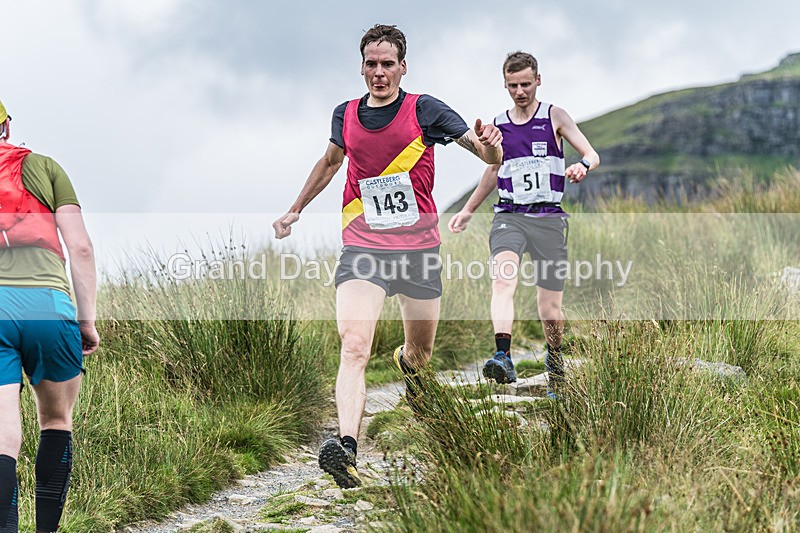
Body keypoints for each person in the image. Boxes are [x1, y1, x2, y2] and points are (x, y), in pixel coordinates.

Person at [272, 24, 502, 488]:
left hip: (418, 250)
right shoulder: (346, 114)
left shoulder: (426, 110)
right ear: (362, 66)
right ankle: (347, 449)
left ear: (402, 66)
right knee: (354, 346)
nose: (379, 73)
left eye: (387, 64)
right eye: (371, 64)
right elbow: (332, 162)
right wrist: (295, 209)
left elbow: (481, 154)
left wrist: (491, 146)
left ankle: (411, 373)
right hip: (363, 247)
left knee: (419, 354)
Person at [448, 51, 599, 398]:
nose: (520, 91)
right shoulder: (498, 125)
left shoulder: (554, 116)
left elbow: (591, 153)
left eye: (526, 84)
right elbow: (492, 170)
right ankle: (503, 356)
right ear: (505, 84)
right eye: (513, 85)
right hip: (510, 216)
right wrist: (469, 209)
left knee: (550, 311)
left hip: (549, 220)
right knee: (503, 280)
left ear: (538, 81)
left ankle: (555, 362)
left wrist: (583, 167)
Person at [0, 99, 99, 532]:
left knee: (3, 439)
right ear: (6, 127)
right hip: (50, 308)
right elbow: (80, 247)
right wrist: (86, 320)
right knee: (56, 420)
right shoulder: (45, 167)